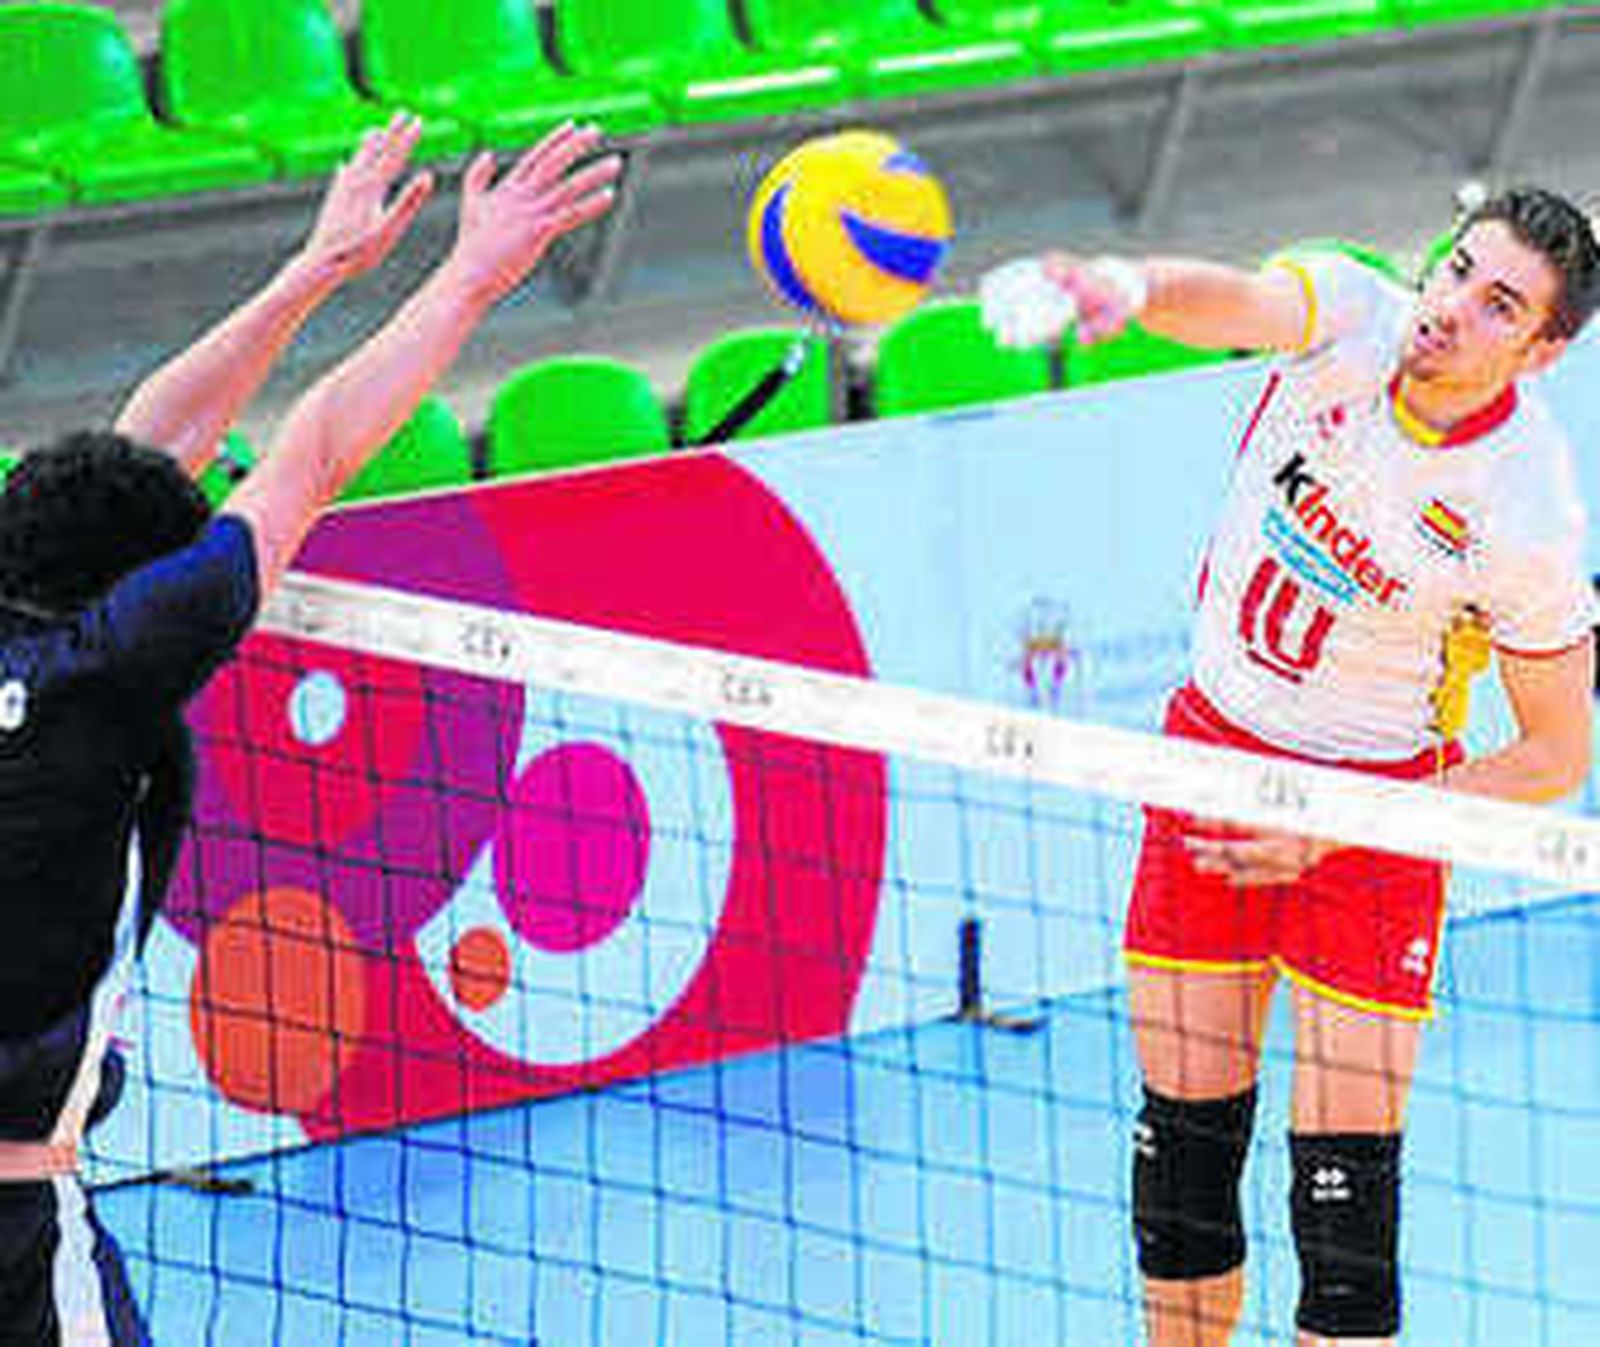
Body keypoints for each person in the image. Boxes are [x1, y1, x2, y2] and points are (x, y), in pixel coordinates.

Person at [0, 113, 619, 1344]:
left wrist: (320, 263)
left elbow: (140, 444)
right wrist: (469, 274)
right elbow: (316, 447)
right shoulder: (117, 668)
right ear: (144, 589)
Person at [988, 189, 1600, 1346]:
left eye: (1497, 303)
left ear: (1544, 348)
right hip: (1214, 767)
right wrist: (1127, 285)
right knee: (1181, 1159)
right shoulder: (1355, 320)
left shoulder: (1526, 511)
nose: (1450, 309)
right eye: (1456, 270)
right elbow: (1241, 298)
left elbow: (1557, 755)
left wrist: (1344, 825)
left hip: (1371, 820)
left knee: (1343, 1209)